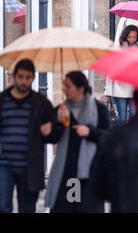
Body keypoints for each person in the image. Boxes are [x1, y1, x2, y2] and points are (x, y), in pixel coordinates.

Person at [45, 71, 110, 213]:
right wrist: (59, 123)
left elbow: (108, 139)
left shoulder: (99, 110)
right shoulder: (61, 110)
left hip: (90, 175)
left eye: (68, 86)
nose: (64, 89)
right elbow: (51, 138)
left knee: (87, 209)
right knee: (69, 207)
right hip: (69, 174)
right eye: (64, 85)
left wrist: (90, 132)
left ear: (80, 88)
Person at [0, 59, 58, 213]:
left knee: (27, 208)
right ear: (14, 77)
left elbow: (53, 136)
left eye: (27, 77)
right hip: (4, 165)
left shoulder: (41, 103)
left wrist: (50, 131)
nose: (23, 81)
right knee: (2, 206)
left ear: (33, 78)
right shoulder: (2, 101)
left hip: (30, 166)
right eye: (20, 77)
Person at [105, 25, 138, 123]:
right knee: (122, 115)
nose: (132, 39)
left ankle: (132, 135)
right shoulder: (119, 48)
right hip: (120, 87)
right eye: (130, 37)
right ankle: (123, 136)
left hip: (134, 86)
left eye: (134, 37)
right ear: (125, 36)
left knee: (134, 114)